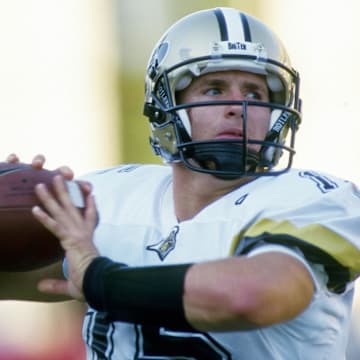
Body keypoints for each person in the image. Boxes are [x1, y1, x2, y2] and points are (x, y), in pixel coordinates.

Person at [3, 7, 360, 360]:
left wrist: (100, 280)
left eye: (255, 94)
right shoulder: (107, 197)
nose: (237, 106)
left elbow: (253, 297)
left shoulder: (315, 200)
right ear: (166, 103)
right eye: (214, 89)